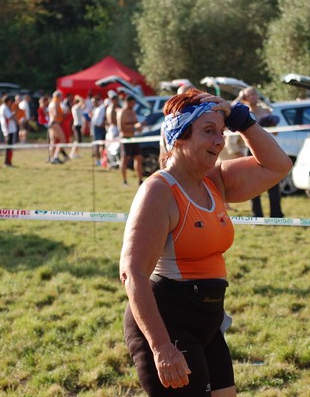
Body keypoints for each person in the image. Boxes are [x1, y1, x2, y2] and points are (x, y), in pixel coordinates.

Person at [120, 88, 292, 396]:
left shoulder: (215, 181)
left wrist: (241, 118)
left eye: (221, 132)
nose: (219, 141)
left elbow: (278, 166)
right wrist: (161, 347)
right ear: (179, 137)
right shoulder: (159, 192)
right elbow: (132, 274)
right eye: (208, 131)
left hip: (207, 321)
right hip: (168, 323)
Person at [239, 87, 284, 218]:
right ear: (245, 98)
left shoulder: (266, 111)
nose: (252, 96)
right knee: (253, 184)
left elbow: (276, 132)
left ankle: (277, 215)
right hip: (251, 150)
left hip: (269, 149)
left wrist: (271, 124)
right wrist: (239, 97)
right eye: (249, 95)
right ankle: (256, 216)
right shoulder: (244, 112)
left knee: (274, 182)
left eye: (254, 94)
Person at [118, 95, 143, 185]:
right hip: (125, 138)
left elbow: (136, 123)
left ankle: (140, 180)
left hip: (133, 138)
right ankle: (124, 180)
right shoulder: (122, 112)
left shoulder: (132, 112)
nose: (133, 105)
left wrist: (140, 126)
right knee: (125, 159)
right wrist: (135, 128)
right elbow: (122, 128)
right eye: (132, 103)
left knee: (138, 158)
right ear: (127, 102)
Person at [48, 90, 67, 164]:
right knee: (63, 140)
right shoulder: (55, 103)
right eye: (61, 96)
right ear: (58, 96)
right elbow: (56, 114)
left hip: (51, 123)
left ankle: (51, 157)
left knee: (52, 141)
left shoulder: (51, 103)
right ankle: (55, 157)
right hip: (55, 123)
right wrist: (63, 115)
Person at [0, 94, 18, 167]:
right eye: (10, 101)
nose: (11, 102)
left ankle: (8, 162)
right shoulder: (4, 108)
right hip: (9, 130)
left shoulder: (5, 107)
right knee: (9, 147)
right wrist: (15, 112)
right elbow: (10, 117)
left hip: (9, 130)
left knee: (9, 147)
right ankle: (7, 162)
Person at [90, 95, 107, 166]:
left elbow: (102, 118)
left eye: (94, 102)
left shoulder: (101, 108)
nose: (93, 104)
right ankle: (98, 160)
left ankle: (101, 160)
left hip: (99, 128)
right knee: (98, 145)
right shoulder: (96, 109)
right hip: (96, 128)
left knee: (100, 145)